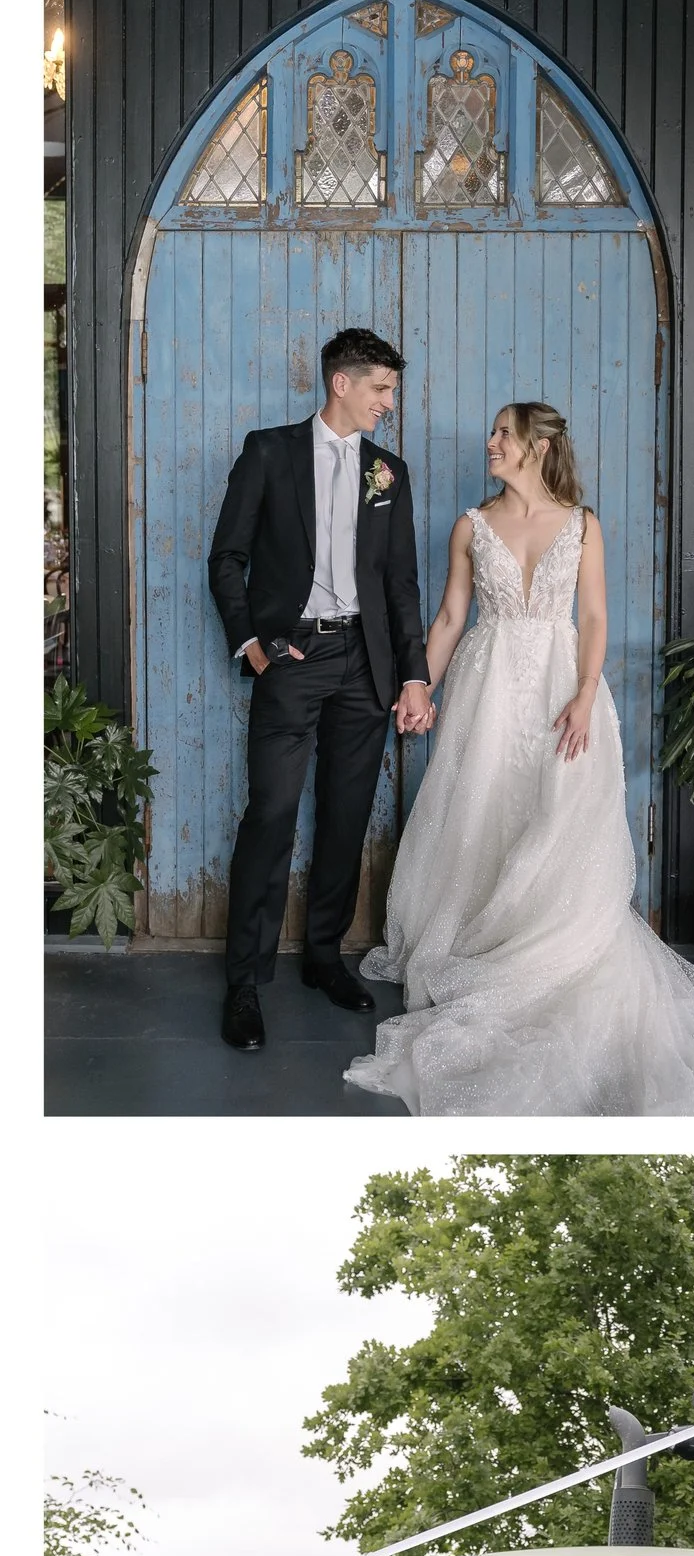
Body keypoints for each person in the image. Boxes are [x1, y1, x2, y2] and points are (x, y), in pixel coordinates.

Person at [343, 401, 694, 1114]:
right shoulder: (470, 524)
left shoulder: (583, 525)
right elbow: (453, 617)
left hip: (561, 689)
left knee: (555, 823)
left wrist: (584, 695)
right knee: (481, 810)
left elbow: (594, 617)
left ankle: (548, 945)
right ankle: (484, 944)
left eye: (503, 435)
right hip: (488, 687)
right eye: (491, 432)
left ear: (538, 448)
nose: (490, 443)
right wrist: (418, 687)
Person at [206, 327, 433, 1055]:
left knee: (345, 816)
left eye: (391, 391)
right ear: (342, 382)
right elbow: (227, 556)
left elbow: (400, 582)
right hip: (292, 657)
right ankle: (244, 983)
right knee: (271, 815)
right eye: (381, 389)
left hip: (364, 666)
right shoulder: (269, 451)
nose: (388, 404)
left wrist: (412, 672)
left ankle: (324, 959)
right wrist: (256, 647)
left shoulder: (388, 472)